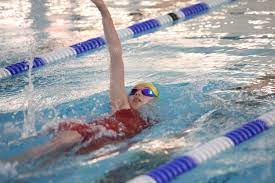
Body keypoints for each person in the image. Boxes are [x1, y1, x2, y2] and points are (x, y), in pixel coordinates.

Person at [12, 0, 159, 162]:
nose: (138, 92)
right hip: (83, 132)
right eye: (134, 90)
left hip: (94, 145)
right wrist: (103, 9)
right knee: (37, 154)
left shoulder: (149, 125)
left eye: (146, 91)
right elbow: (115, 52)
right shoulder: (122, 105)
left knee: (43, 166)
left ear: (155, 101)